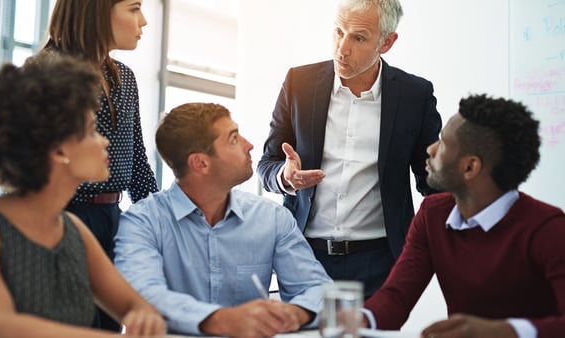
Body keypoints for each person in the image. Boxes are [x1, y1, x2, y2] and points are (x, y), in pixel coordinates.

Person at [0, 54, 166, 338]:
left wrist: (145, 316)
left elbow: (134, 307)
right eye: (90, 131)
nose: (104, 141)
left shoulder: (74, 231)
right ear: (59, 151)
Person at [257, 0, 442, 297]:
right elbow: (267, 164)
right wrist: (284, 176)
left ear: (387, 42)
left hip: (381, 261)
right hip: (303, 257)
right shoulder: (298, 83)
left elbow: (434, 180)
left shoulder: (414, 96)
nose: (342, 49)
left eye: (358, 38)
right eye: (338, 32)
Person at [114, 102, 333, 337]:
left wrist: (296, 313)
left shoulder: (272, 217)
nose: (249, 145)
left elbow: (319, 290)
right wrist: (222, 320)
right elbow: (143, 295)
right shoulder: (142, 222)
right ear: (200, 163)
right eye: (233, 139)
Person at [362, 94, 565, 338]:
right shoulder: (432, 214)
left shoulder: (549, 229)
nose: (430, 149)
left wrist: (505, 332)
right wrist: (361, 319)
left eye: (444, 143)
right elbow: (397, 296)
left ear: (470, 167)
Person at [42, 0, 159, 330]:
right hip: (63, 214)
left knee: (109, 322)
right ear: (96, 10)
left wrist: (159, 223)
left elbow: (136, 162)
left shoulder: (124, 76)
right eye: (134, 8)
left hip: (114, 218)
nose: (144, 21)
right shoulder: (48, 73)